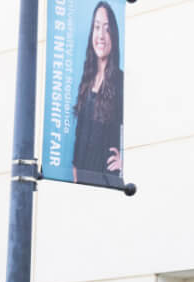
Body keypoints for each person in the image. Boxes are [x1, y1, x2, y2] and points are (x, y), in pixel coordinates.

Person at [72, 2, 124, 186]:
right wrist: (75, 172)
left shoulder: (120, 81)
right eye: (96, 27)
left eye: (107, 29)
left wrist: (125, 160)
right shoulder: (86, 80)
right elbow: (79, 135)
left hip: (106, 181)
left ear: (114, 35)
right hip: (81, 180)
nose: (101, 35)